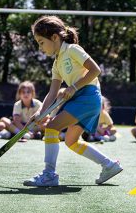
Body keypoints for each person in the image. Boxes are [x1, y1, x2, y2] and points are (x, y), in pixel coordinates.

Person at [23, 15, 123, 187]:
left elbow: (95, 70)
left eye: (41, 42)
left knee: (52, 128)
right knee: (71, 141)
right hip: (82, 99)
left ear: (54, 37)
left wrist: (74, 87)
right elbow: (53, 92)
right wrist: (40, 112)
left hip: (88, 97)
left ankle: (49, 174)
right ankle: (109, 165)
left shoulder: (72, 49)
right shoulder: (57, 63)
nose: (40, 48)